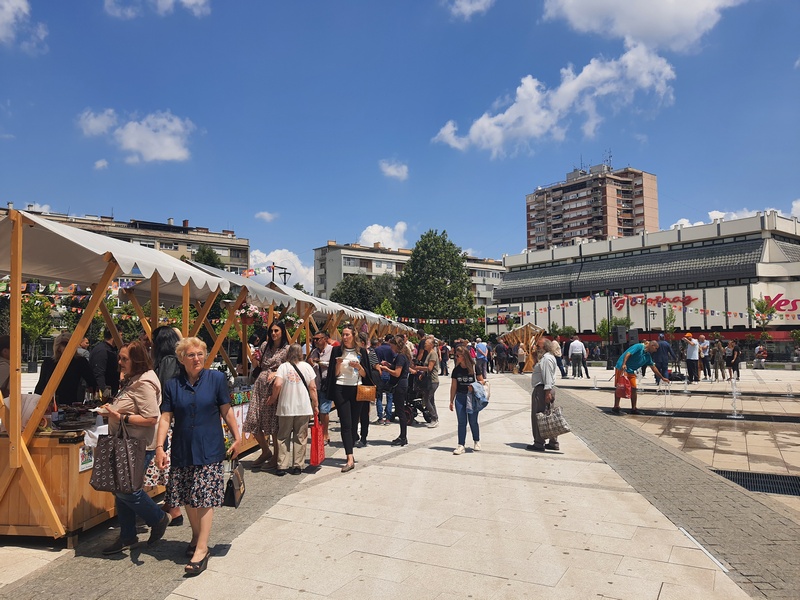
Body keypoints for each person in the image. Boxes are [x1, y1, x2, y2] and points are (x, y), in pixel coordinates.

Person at [155, 337, 241, 576]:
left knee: (203, 497)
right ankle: (195, 537)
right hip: (182, 447)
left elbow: (226, 410)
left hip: (209, 447)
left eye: (200, 354)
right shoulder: (172, 385)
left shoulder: (216, 379)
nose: (196, 359)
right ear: (181, 359)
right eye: (191, 355)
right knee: (188, 497)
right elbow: (165, 417)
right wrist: (160, 447)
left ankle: (202, 549)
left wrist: (237, 436)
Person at [100, 341, 171, 556]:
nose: (120, 362)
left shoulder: (144, 383)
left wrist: (120, 416)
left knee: (127, 490)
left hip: (138, 444)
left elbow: (151, 417)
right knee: (121, 489)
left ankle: (158, 518)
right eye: (119, 358)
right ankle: (127, 535)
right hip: (125, 442)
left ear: (137, 360)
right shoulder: (134, 380)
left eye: (124, 359)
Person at [325, 324, 375, 473]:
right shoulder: (336, 351)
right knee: (345, 424)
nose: (344, 337)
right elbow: (333, 375)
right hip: (341, 388)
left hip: (357, 389)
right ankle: (349, 458)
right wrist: (338, 365)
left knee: (353, 424)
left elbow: (367, 376)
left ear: (354, 335)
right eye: (343, 334)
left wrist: (359, 368)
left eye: (347, 334)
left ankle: (352, 442)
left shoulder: (361, 352)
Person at [147, 325, 183, 525]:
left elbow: (165, 392)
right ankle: (171, 506)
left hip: (167, 420)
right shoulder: (171, 360)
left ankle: (175, 510)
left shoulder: (168, 362)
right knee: (168, 466)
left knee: (166, 465)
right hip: (170, 419)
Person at [243, 320, 289, 471]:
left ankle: (276, 455)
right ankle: (265, 450)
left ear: (282, 331)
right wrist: (254, 359)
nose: (273, 334)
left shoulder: (287, 349)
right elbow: (258, 365)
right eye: (271, 331)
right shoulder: (264, 346)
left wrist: (278, 372)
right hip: (260, 385)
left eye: (276, 331)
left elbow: (290, 368)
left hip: (274, 388)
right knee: (253, 420)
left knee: (272, 424)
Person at [269, 344, 318, 476]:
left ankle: (281, 466)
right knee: (300, 437)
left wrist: (273, 398)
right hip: (303, 407)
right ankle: (297, 465)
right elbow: (313, 387)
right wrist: (316, 404)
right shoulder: (307, 367)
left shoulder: (283, 367)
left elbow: (277, 384)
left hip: (286, 407)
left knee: (283, 436)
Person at [35, 332, 97, 406]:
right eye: (64, 344)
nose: (65, 348)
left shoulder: (80, 361)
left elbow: (92, 382)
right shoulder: (49, 362)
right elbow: (41, 385)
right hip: (52, 403)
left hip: (71, 403)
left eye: (67, 344)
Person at [613, 341, 670, 415]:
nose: (656, 351)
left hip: (630, 370)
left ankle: (634, 408)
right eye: (656, 349)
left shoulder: (647, 356)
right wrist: (624, 364)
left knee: (633, 388)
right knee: (620, 386)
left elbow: (653, 368)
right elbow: (628, 354)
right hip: (622, 367)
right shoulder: (639, 347)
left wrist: (662, 378)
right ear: (652, 345)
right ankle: (616, 407)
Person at [449, 344, 486, 455]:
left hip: (472, 398)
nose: (456, 358)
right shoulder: (456, 370)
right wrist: (451, 400)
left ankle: (476, 441)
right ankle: (461, 445)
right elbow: (453, 386)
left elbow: (482, 381)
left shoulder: (474, 368)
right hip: (460, 397)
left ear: (464, 356)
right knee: (461, 422)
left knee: (473, 421)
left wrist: (473, 386)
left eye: (458, 356)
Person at [377, 335, 412, 446]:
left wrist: (386, 369)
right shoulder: (401, 356)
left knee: (400, 412)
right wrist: (389, 365)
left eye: (392, 346)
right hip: (401, 385)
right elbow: (396, 368)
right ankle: (402, 436)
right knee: (399, 411)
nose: (391, 348)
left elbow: (397, 373)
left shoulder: (401, 357)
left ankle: (403, 437)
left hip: (400, 386)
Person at [527, 339, 559, 452]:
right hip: (545, 389)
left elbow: (547, 376)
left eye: (538, 346)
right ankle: (553, 441)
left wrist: (547, 392)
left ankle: (539, 443)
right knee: (549, 416)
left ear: (544, 347)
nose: (536, 347)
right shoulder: (547, 358)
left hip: (542, 390)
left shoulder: (546, 359)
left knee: (539, 416)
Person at [354, 332, 380, 446]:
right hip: (354, 385)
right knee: (355, 413)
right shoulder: (352, 353)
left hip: (364, 386)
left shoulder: (369, 353)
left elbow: (374, 369)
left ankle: (363, 436)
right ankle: (355, 435)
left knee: (364, 412)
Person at [307, 330, 334, 443]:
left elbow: (335, 365)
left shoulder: (332, 351)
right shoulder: (314, 351)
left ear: (325, 339)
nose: (315, 341)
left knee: (324, 410)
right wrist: (311, 363)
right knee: (317, 410)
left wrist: (321, 362)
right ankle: (320, 431)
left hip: (327, 384)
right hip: (316, 384)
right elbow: (310, 364)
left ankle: (325, 433)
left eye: (318, 339)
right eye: (314, 339)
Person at [90, 328, 120, 397]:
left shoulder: (111, 350)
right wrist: (105, 392)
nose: (122, 338)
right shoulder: (102, 351)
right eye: (121, 335)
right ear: (114, 336)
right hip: (105, 393)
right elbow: (99, 373)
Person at [418, 337, 439, 428]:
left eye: (426, 344)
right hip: (429, 379)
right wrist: (422, 374)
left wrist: (417, 368)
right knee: (430, 400)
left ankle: (434, 418)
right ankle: (434, 419)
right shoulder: (429, 354)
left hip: (433, 380)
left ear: (431, 345)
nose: (424, 345)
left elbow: (430, 368)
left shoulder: (433, 354)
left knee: (426, 399)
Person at [373, 334, 395, 424]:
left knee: (379, 396)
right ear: (390, 340)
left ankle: (380, 417)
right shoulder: (392, 350)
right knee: (390, 396)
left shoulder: (377, 349)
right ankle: (388, 418)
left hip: (380, 373)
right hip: (389, 373)